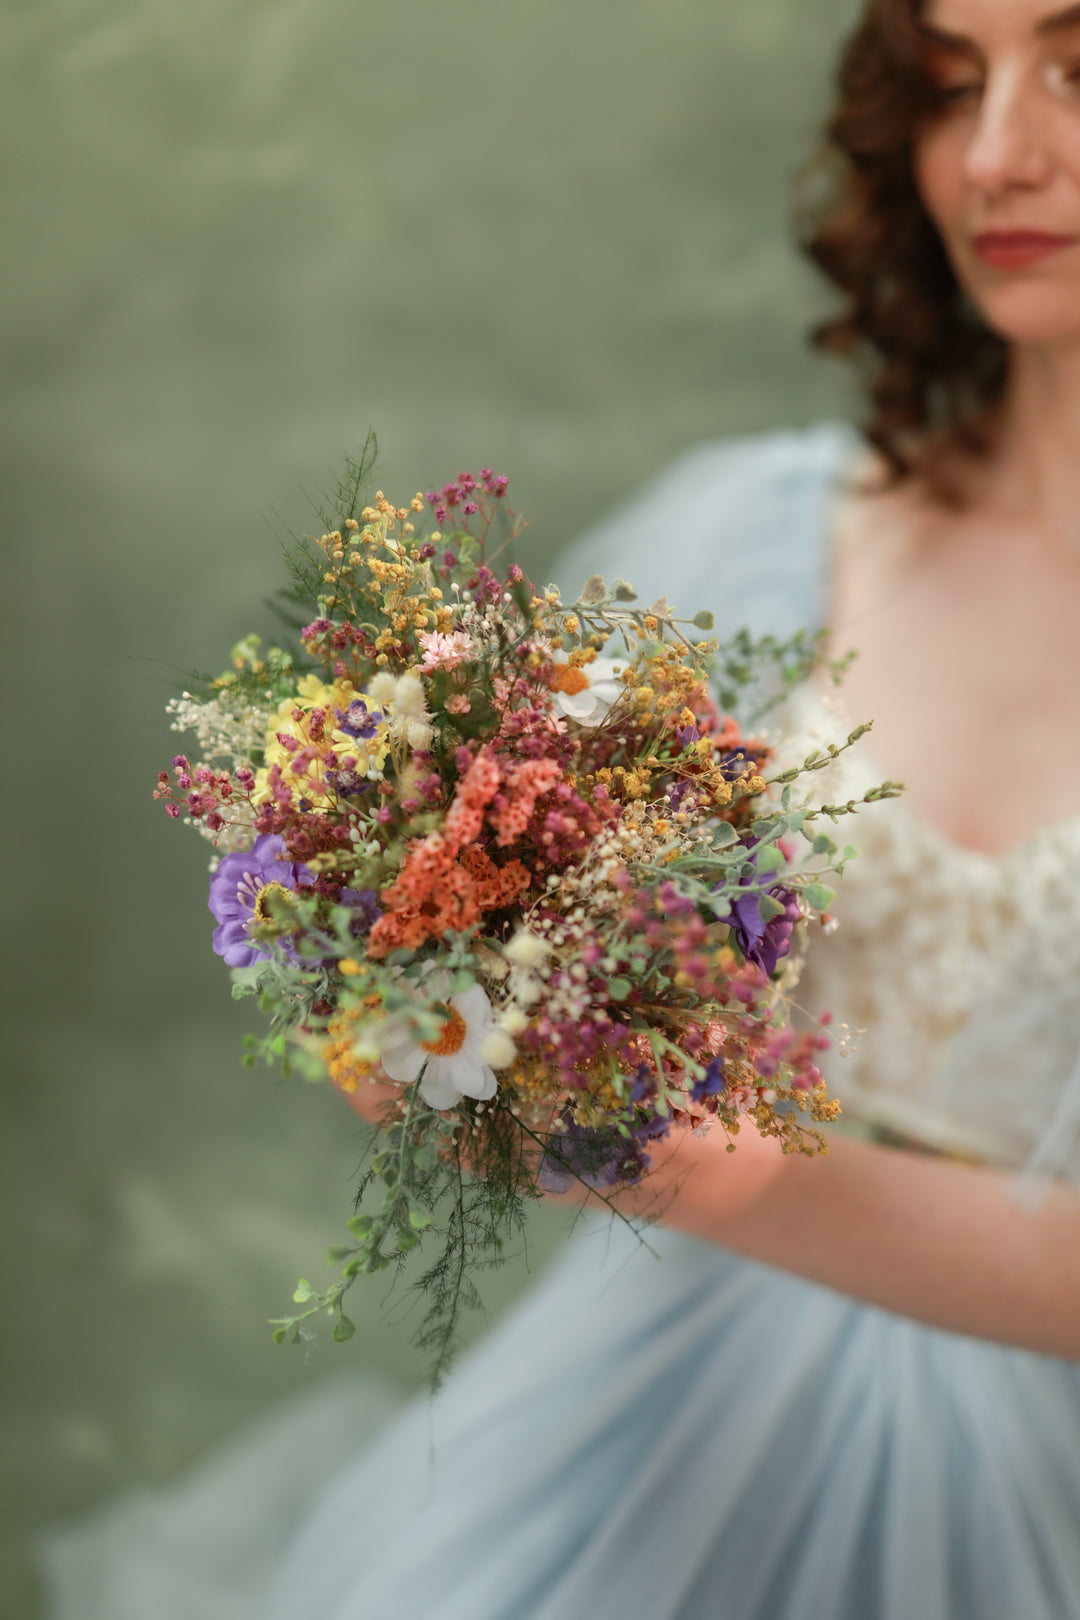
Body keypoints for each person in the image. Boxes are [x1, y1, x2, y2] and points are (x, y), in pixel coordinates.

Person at [39, 0, 1080, 1614]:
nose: (1003, 155)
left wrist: (742, 1176)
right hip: (666, 1398)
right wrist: (435, 1012)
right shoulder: (752, 538)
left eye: (1079, 67)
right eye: (952, 86)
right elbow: (498, 956)